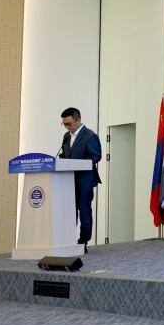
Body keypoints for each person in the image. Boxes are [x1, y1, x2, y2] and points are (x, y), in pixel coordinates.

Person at [59, 107, 102, 253]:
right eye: (64, 124)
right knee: (70, 212)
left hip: (84, 181)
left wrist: (76, 163)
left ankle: (83, 241)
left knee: (84, 211)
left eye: (69, 124)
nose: (67, 127)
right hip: (69, 180)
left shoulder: (90, 136)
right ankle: (69, 240)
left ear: (78, 120)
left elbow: (96, 156)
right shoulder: (66, 136)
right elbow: (65, 155)